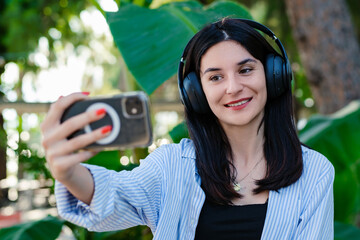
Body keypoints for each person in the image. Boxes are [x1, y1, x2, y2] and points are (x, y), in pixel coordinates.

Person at [41, 18, 334, 240]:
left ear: (274, 75)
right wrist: (69, 173)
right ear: (196, 92)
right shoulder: (171, 165)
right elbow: (112, 199)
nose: (233, 87)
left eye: (245, 70)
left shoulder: (314, 172)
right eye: (215, 77)